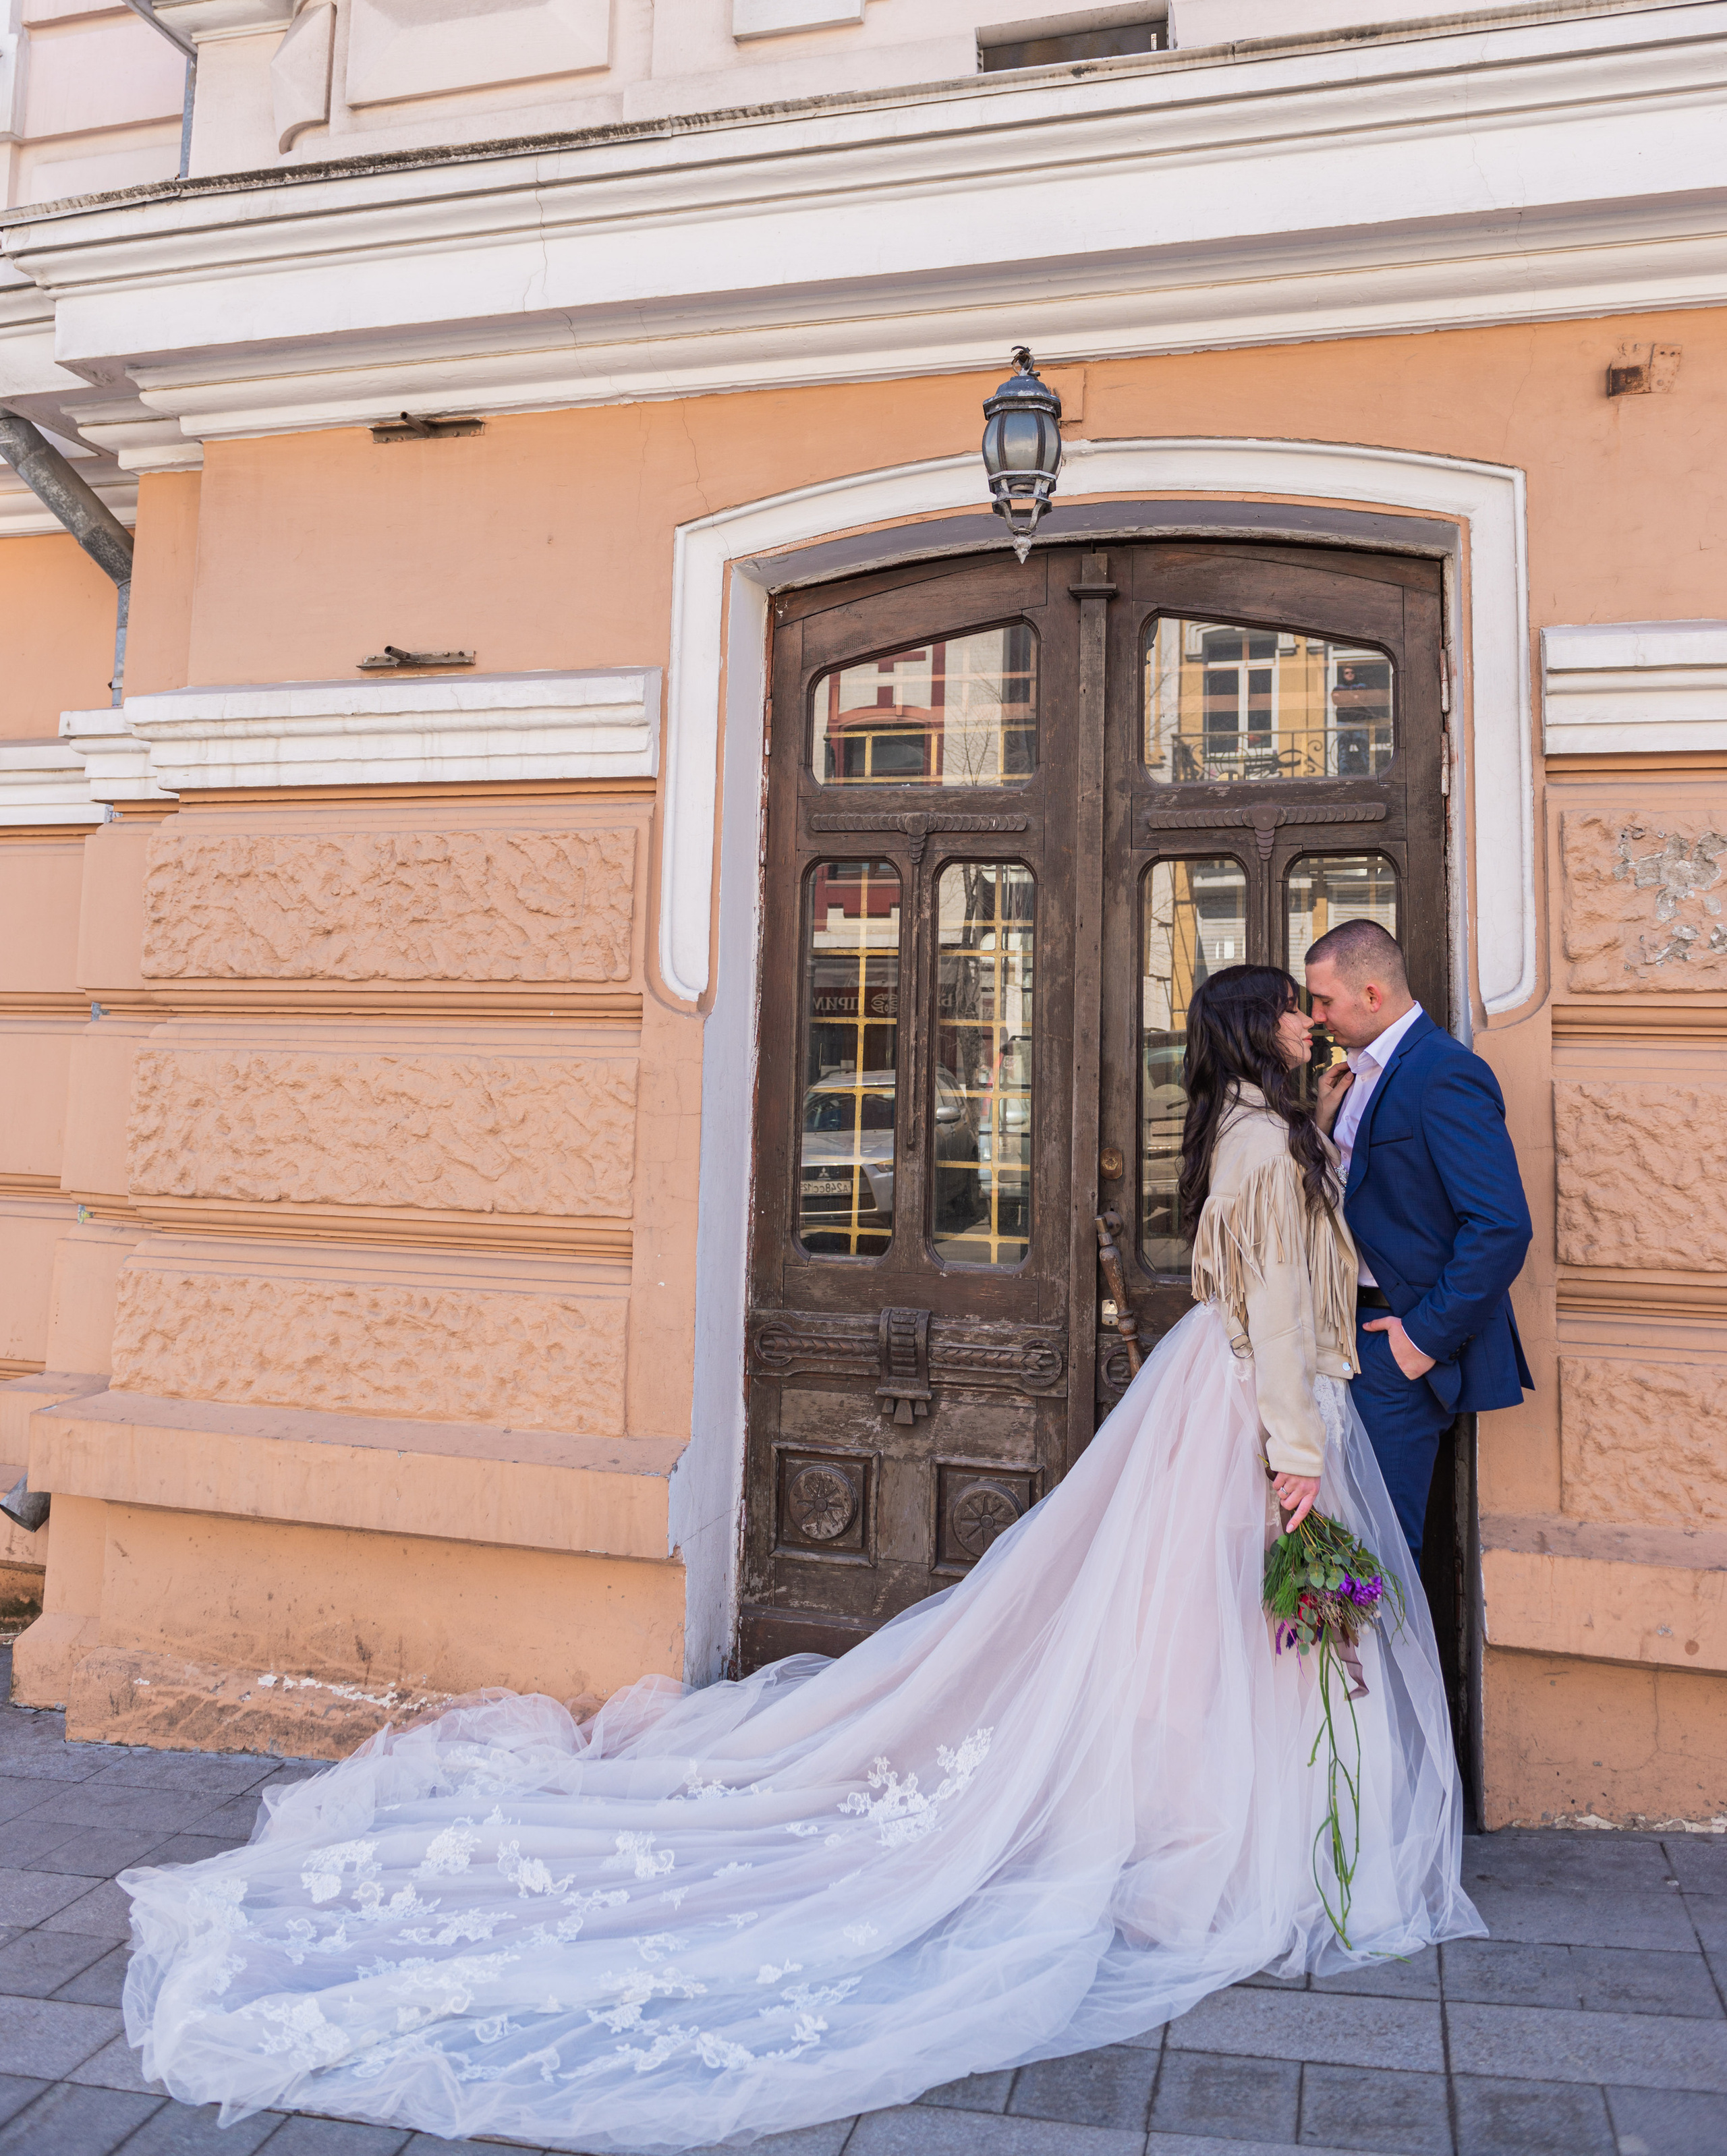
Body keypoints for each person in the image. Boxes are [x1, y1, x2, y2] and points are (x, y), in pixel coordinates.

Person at [120, 964, 1481, 2154]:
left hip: (1248, 1395)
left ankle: (1229, 1828)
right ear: (1257, 1033)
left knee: (1206, 1630)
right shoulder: (1261, 1147)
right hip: (1253, 1403)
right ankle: (1226, 1842)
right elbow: (1267, 1305)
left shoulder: (1258, 1131)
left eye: (1316, 1008)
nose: (1311, 1025)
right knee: (1219, 1624)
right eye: (1291, 1013)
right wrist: (1292, 1449)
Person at [1302, 919, 1534, 1564]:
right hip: (1338, 1338)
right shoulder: (1347, 1080)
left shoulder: (1445, 1072)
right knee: (1334, 1541)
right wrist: (1322, 1126)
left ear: (1372, 995)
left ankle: (1386, 1672)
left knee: (1380, 1554)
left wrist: (1421, 1339)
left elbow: (1501, 1225)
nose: (1315, 1017)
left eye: (1325, 1001)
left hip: (1395, 1347)